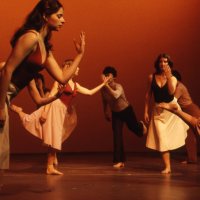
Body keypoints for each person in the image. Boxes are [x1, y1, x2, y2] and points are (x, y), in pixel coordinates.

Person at [0, 0, 85, 170]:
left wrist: (80, 54)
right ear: (46, 16)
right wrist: (1, 107)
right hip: (1, 95)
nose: (63, 20)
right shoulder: (31, 36)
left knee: (1, 148)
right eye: (59, 16)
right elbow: (7, 70)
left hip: (6, 96)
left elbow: (61, 77)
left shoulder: (44, 47)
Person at [10, 59, 110, 175]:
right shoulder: (60, 82)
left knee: (55, 139)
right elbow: (51, 95)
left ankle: (50, 166)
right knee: (52, 137)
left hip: (62, 111)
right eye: (76, 67)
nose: (78, 69)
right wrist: (45, 112)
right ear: (69, 67)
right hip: (54, 107)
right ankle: (49, 167)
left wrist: (104, 84)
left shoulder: (75, 85)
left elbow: (89, 92)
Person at [144, 53, 189, 174]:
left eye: (165, 62)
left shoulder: (173, 78)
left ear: (169, 64)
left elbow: (171, 91)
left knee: (173, 137)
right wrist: (145, 111)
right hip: (158, 110)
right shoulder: (151, 77)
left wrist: (169, 77)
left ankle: (188, 158)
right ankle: (168, 167)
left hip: (171, 111)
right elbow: (148, 95)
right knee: (161, 138)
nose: (162, 64)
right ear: (157, 63)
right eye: (160, 62)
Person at [101, 66, 147, 169]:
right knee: (117, 135)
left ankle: (140, 126)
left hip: (126, 110)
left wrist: (106, 85)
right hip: (116, 113)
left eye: (109, 75)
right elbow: (104, 101)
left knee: (134, 129)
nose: (107, 77)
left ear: (114, 78)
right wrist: (105, 112)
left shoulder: (118, 86)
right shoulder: (103, 89)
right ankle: (119, 160)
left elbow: (115, 96)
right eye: (105, 75)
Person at [172, 70, 200, 164]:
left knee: (196, 131)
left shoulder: (179, 87)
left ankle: (192, 159)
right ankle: (192, 159)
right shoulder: (176, 86)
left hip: (191, 110)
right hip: (186, 111)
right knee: (189, 136)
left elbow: (173, 101)